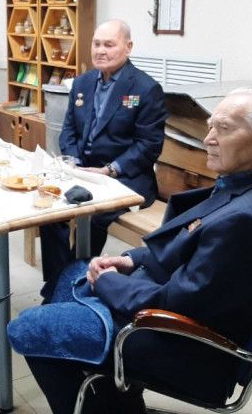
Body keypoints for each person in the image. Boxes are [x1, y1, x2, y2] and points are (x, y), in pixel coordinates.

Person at [9, 88, 252, 414]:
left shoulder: (251, 218)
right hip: (174, 311)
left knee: (28, 328)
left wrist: (108, 282)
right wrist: (129, 260)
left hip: (182, 345)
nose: (208, 139)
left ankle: (104, 394)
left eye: (223, 129)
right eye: (210, 126)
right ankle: (112, 399)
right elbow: (188, 244)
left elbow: (174, 303)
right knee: (67, 278)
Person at [39, 19, 167, 297]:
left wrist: (109, 169)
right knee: (49, 212)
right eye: (96, 44)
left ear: (128, 47)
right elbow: (68, 130)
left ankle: (66, 287)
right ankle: (62, 282)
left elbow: (149, 145)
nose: (100, 50)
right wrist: (73, 161)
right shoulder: (82, 83)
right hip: (82, 170)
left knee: (95, 216)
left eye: (109, 44)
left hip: (125, 177)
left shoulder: (145, 89)